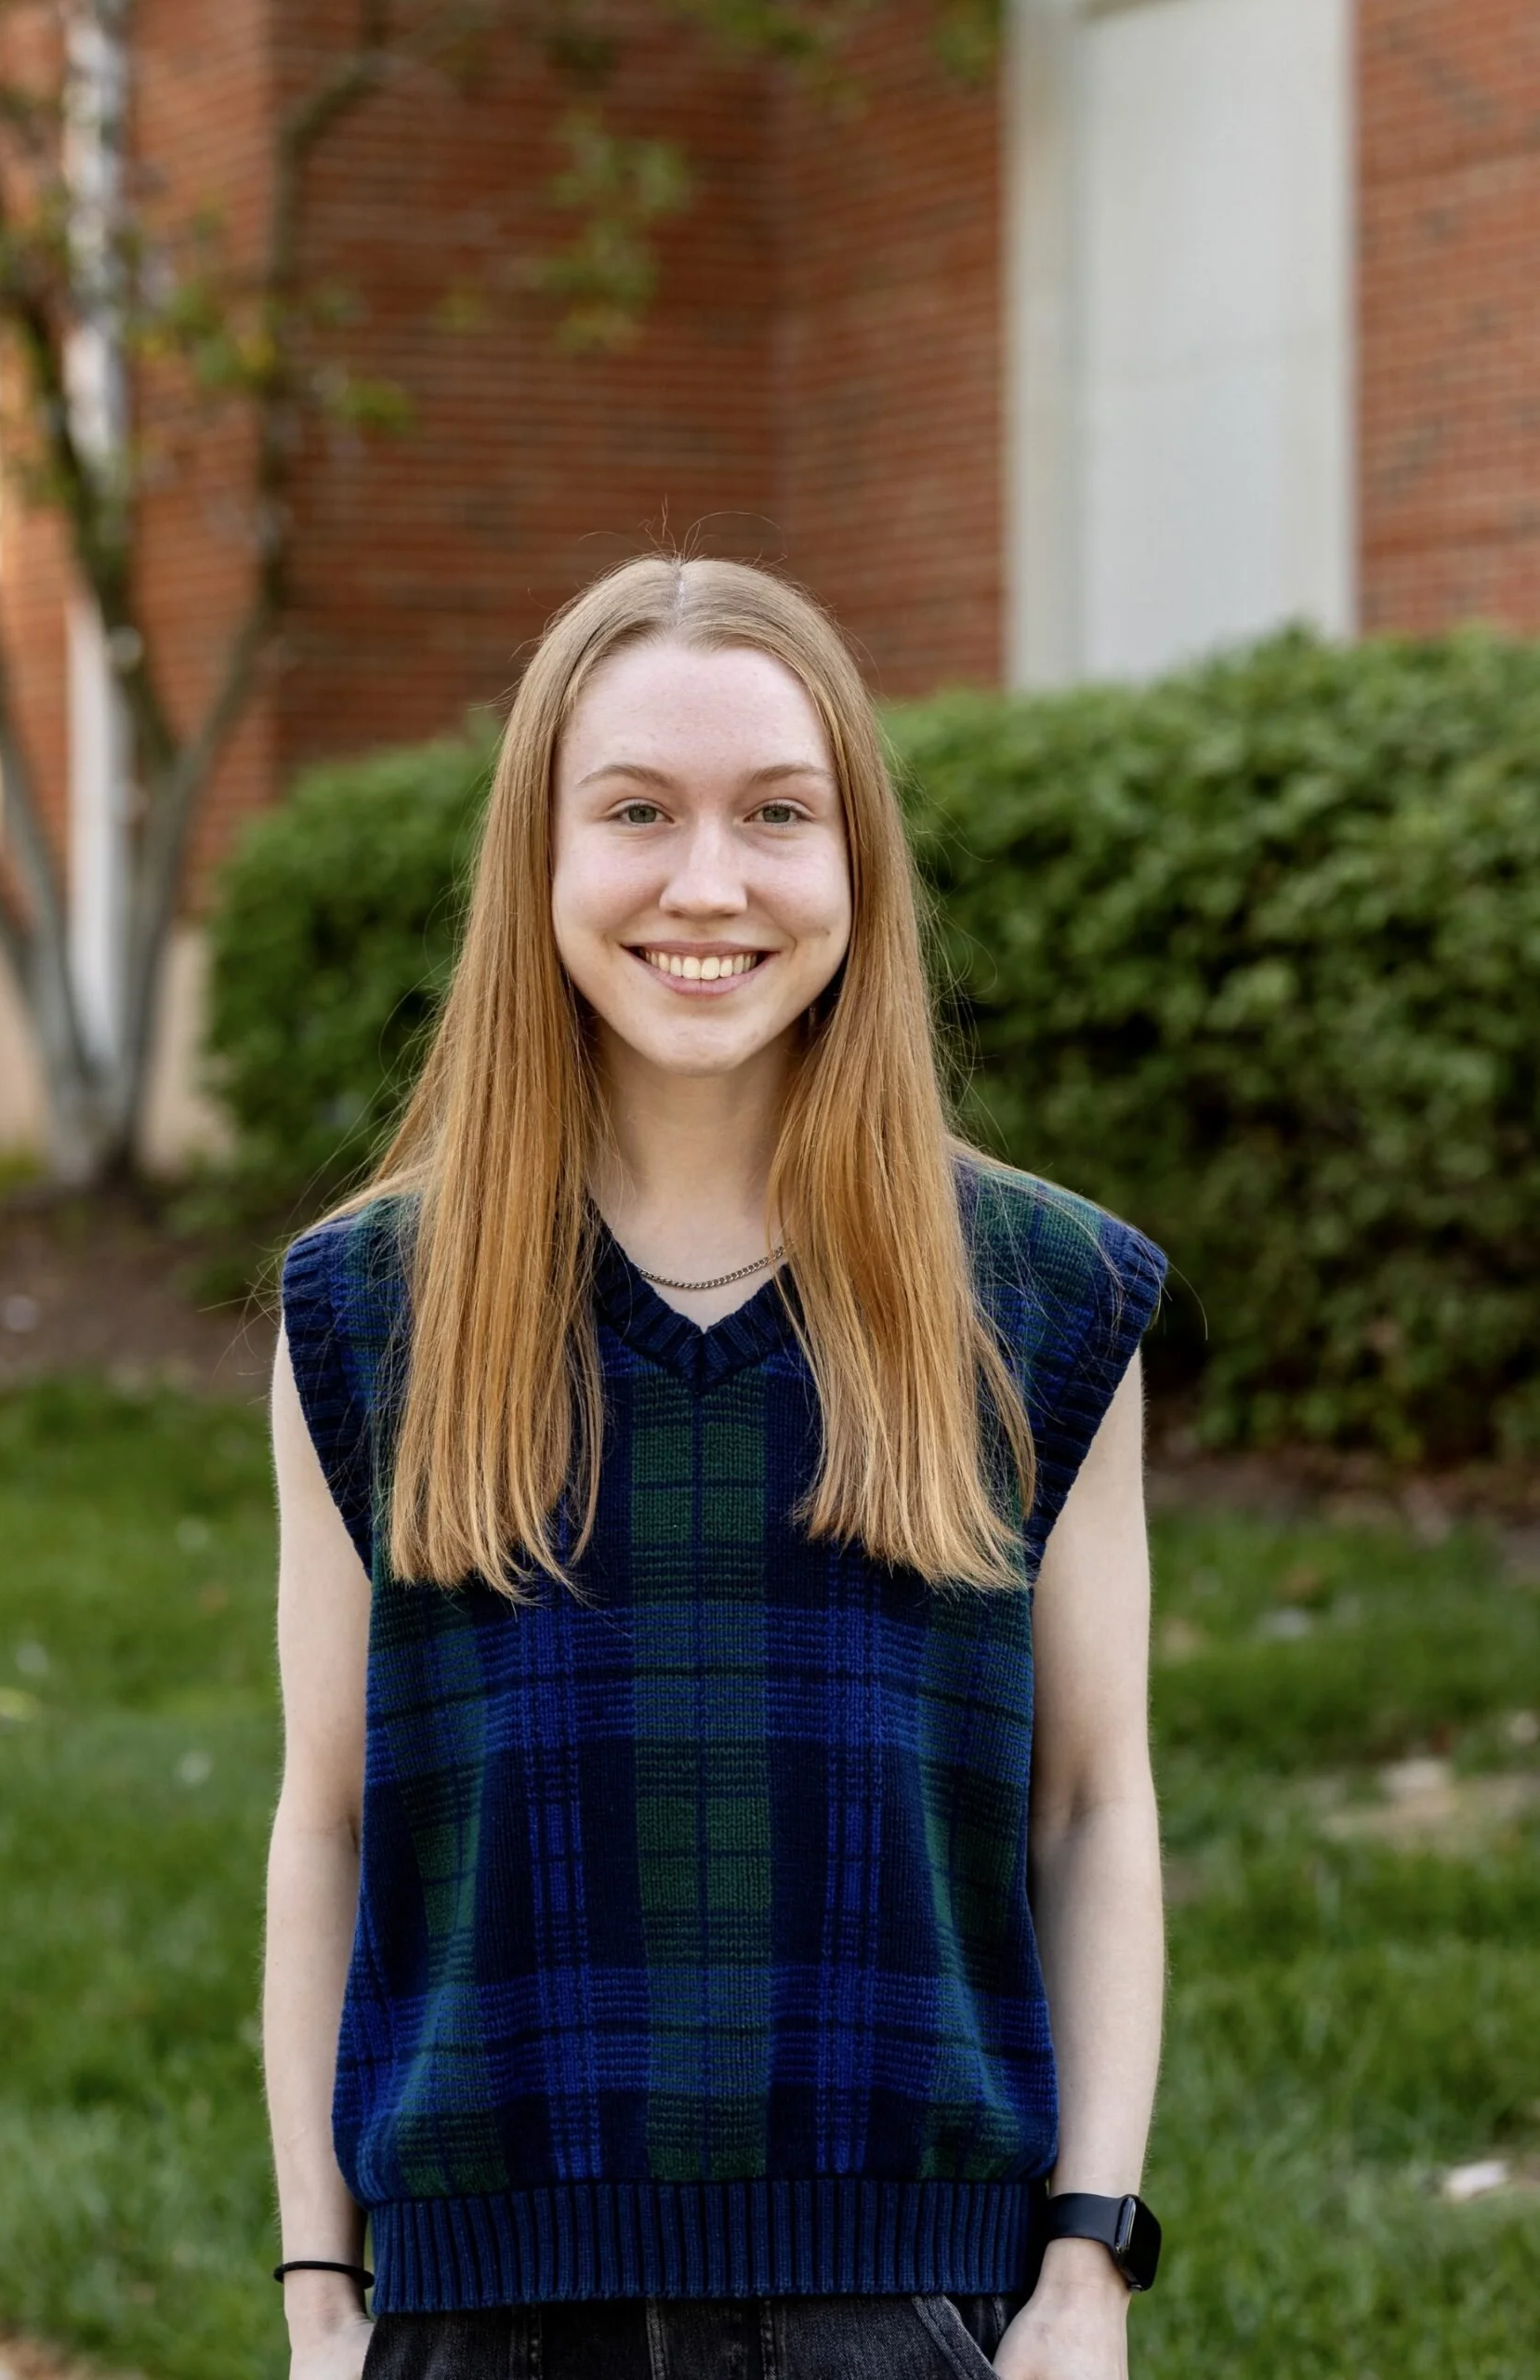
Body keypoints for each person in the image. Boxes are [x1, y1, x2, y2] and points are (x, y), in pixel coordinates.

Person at [263, 556, 1168, 2380]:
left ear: (856, 864)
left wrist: (1087, 2268)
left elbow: (1089, 1805)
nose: (705, 883)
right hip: (473, 2314)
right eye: (634, 812)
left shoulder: (1045, 1294)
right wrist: (317, 2293)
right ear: (538, 859)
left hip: (910, 2303)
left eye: (775, 812)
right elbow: (331, 1817)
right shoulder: (365, 1307)